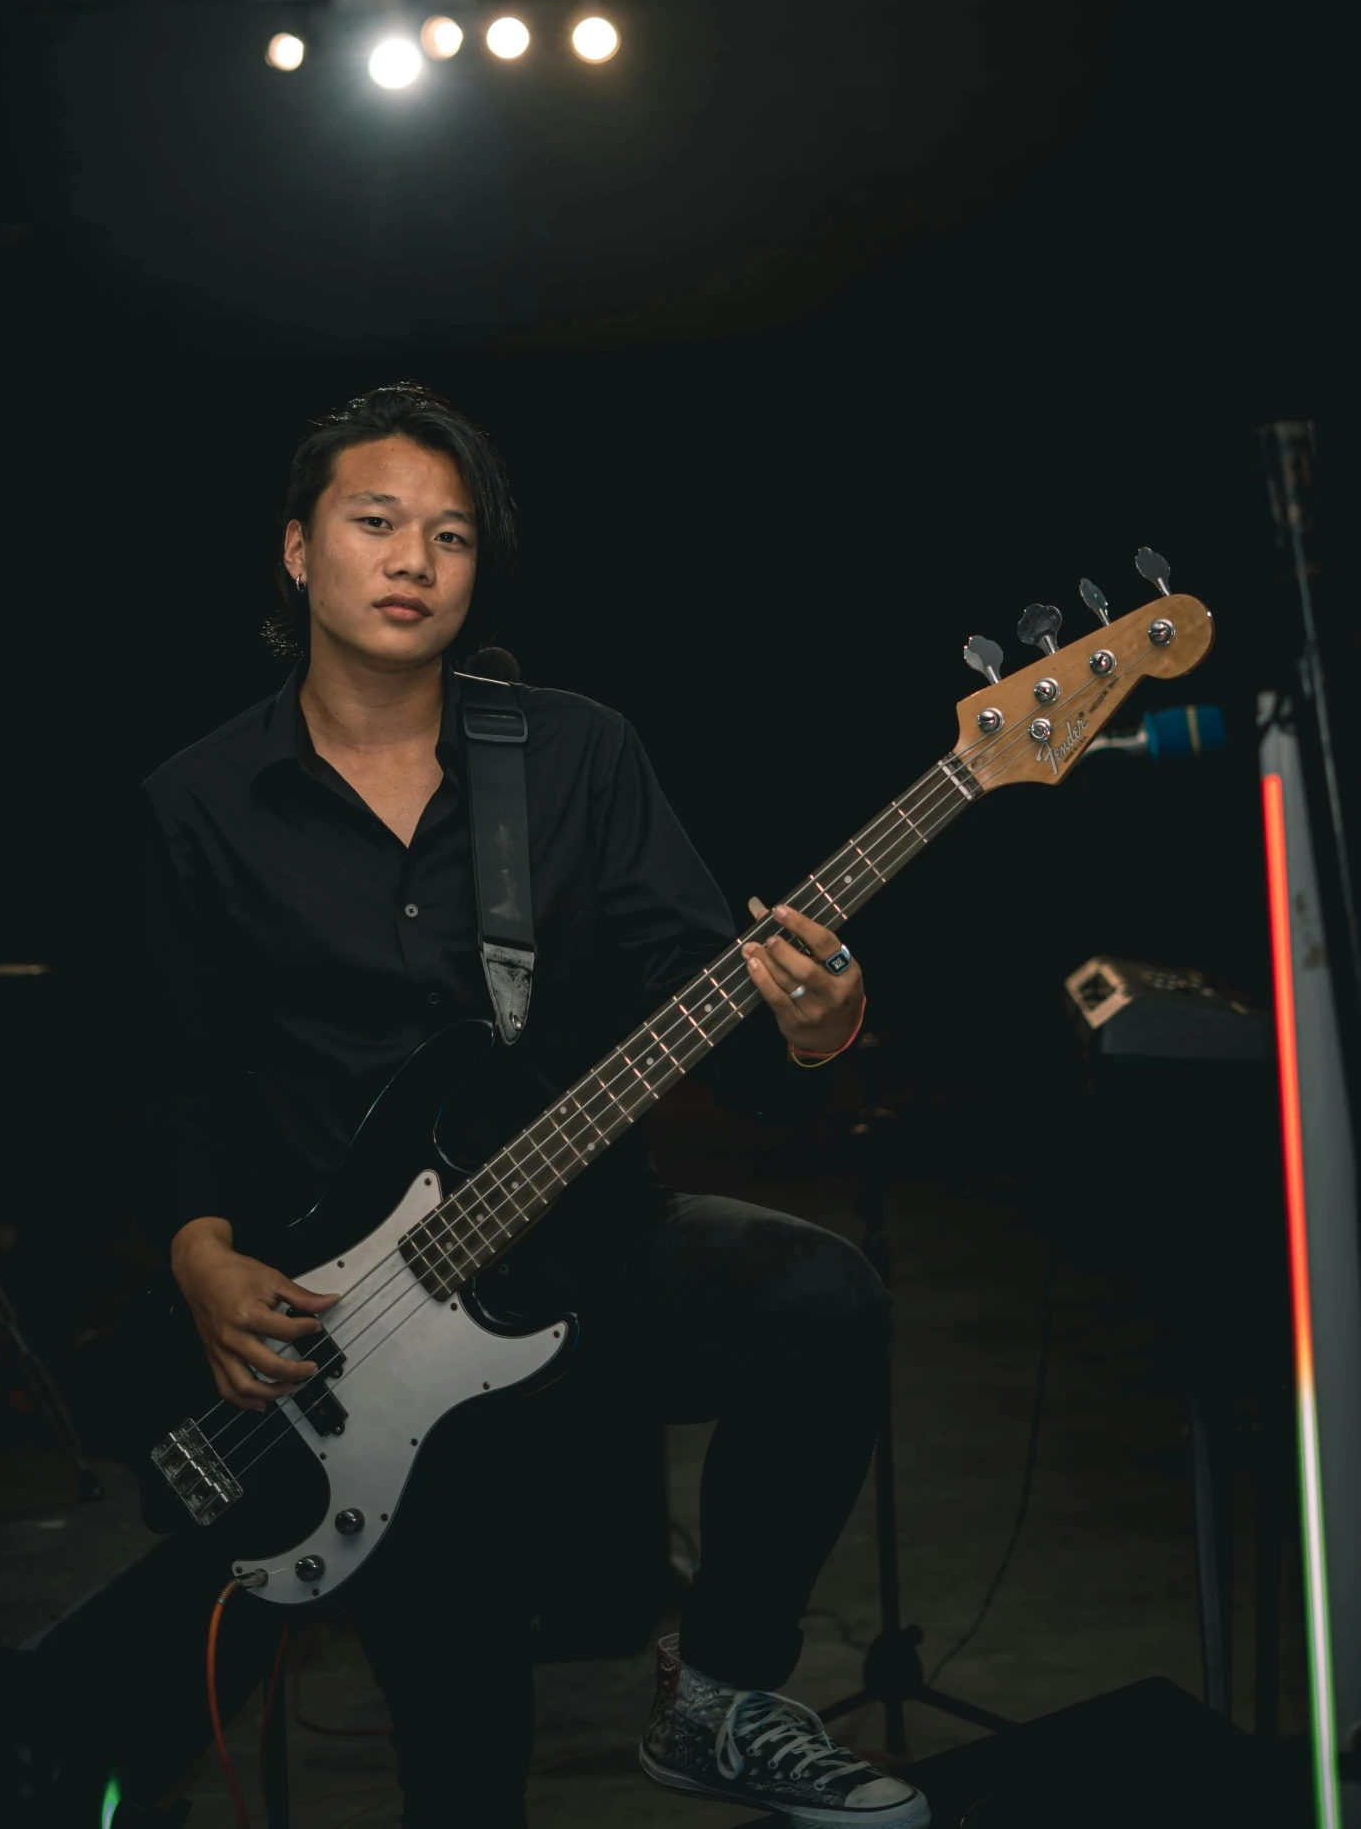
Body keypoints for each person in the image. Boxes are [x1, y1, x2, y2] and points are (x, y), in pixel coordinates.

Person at [142, 382, 928, 1828]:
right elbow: (173, 1069)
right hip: (358, 1332)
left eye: (448, 533)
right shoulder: (198, 802)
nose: (412, 558)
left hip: (581, 1238)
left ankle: (726, 1694)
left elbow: (713, 993)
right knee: (462, 1754)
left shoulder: (570, 754)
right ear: (297, 552)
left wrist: (818, 1021)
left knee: (818, 1297)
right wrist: (199, 1248)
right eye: (374, 522)